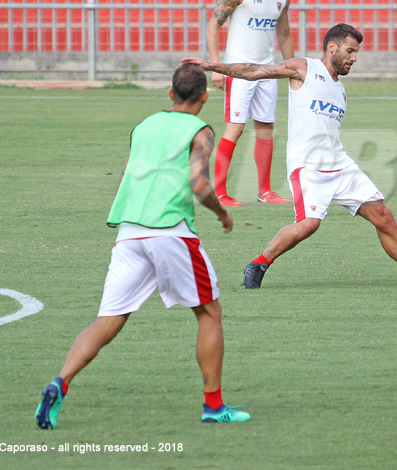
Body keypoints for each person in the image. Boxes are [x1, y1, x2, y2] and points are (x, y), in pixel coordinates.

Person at [34, 63, 251, 427]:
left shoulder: (143, 126)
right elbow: (198, 183)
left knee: (108, 320)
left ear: (170, 94)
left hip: (130, 231)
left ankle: (61, 382)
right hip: (170, 231)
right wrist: (221, 213)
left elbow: (126, 174)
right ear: (204, 97)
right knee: (209, 313)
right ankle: (214, 407)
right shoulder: (201, 130)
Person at [182, 24, 397, 289]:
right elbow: (254, 72)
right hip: (308, 167)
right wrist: (212, 66)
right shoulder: (303, 68)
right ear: (331, 47)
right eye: (349, 51)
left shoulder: (341, 91)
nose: (354, 58)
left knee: (383, 216)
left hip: (340, 165)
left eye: (356, 52)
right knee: (308, 225)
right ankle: (258, 263)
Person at [207, 0, 295, 207]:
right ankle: (219, 193)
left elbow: (284, 33)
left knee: (266, 128)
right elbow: (213, 25)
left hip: (267, 70)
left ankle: (265, 191)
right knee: (235, 127)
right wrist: (216, 66)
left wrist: (292, 70)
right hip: (239, 70)